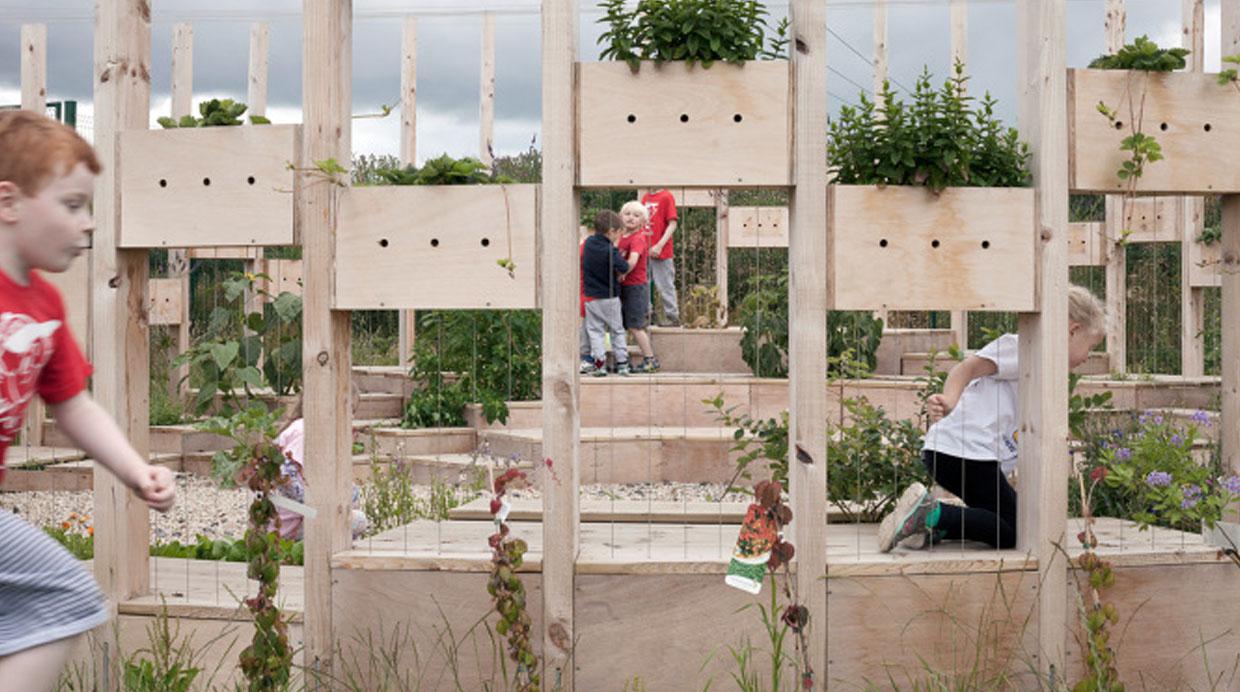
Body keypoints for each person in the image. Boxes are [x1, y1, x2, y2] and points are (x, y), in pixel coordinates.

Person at [0, 110, 176, 691]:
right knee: (67, 593)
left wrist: (135, 471)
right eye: (72, 205)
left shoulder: (45, 306)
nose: (90, 222)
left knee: (65, 598)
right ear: (9, 202)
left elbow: (73, 404)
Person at [877, 285, 1107, 552]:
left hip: (962, 455)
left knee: (1006, 523)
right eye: (1091, 346)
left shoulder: (1046, 372)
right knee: (1015, 530)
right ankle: (930, 514)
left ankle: (929, 527)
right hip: (965, 452)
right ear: (1072, 330)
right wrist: (949, 400)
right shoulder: (1024, 348)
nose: (1088, 357)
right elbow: (967, 368)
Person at [270, 390, 369, 541]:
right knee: (358, 521)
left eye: (353, 412)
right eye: (348, 409)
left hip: (296, 515)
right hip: (286, 524)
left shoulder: (312, 430)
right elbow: (285, 478)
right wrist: (321, 506)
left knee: (351, 498)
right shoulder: (305, 431)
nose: (352, 417)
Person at [580, 210, 630, 377]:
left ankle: (600, 365)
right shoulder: (610, 250)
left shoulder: (588, 243)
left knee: (595, 332)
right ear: (611, 231)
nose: (619, 236)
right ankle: (622, 363)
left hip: (591, 297)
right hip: (609, 297)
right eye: (618, 232)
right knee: (617, 330)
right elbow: (624, 267)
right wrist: (616, 251)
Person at [617, 201, 658, 373]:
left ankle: (650, 359)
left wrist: (623, 271)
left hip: (635, 287)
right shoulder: (621, 237)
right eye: (627, 214)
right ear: (620, 216)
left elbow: (632, 260)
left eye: (636, 215)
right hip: (623, 286)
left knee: (635, 326)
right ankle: (621, 359)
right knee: (621, 324)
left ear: (643, 221)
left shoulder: (639, 238)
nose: (631, 218)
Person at [641, 188, 679, 326]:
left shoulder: (666, 196)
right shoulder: (645, 197)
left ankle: (672, 317)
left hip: (661, 250)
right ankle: (647, 314)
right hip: (644, 250)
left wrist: (659, 245)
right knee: (642, 283)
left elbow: (673, 224)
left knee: (665, 284)